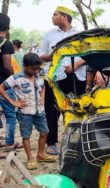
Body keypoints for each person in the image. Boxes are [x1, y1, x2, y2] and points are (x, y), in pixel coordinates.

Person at [38, 6, 86, 155]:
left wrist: (76, 64)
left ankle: (74, 141)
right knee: (52, 110)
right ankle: (51, 143)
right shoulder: (49, 35)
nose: (52, 17)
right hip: (55, 78)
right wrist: (55, 56)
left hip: (77, 77)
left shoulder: (80, 34)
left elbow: (89, 54)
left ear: (64, 17)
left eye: (55, 14)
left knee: (75, 109)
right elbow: (40, 55)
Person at [0, 53, 57, 169]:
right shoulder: (16, 78)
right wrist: (12, 102)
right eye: (33, 69)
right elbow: (1, 88)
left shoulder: (39, 75)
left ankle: (41, 154)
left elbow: (43, 86)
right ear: (25, 66)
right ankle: (30, 158)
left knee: (45, 132)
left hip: (39, 111)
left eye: (37, 69)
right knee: (26, 136)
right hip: (25, 112)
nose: (35, 71)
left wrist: (42, 97)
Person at [0, 13, 20, 152]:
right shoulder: (5, 43)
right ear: (7, 27)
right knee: (10, 116)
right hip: (3, 85)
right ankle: (9, 143)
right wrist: (15, 78)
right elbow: (7, 65)